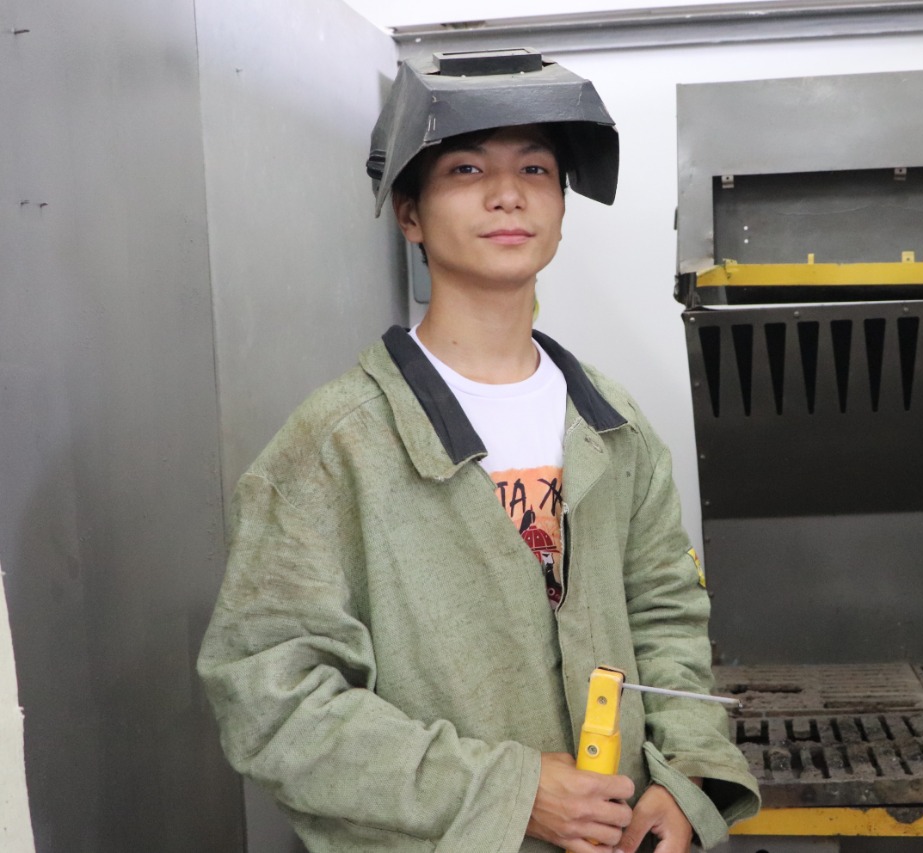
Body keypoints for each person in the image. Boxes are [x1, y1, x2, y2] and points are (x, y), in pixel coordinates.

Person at [197, 49, 760, 853]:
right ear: (410, 214)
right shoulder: (336, 445)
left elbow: (665, 614)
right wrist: (510, 790)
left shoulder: (612, 426)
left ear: (560, 205)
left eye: (535, 168)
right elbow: (273, 700)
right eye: (466, 168)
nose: (507, 194)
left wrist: (686, 776)